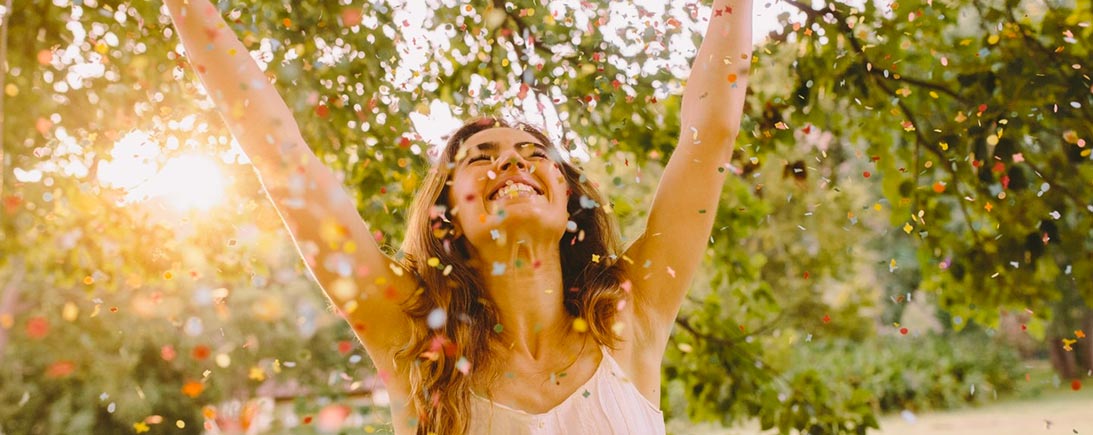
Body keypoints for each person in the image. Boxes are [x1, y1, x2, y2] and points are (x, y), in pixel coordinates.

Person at [165, 1, 752, 434]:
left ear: (569, 199)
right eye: (481, 158)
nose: (512, 164)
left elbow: (713, 133)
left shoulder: (630, 318)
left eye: (532, 155)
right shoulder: (412, 340)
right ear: (448, 215)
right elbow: (282, 158)